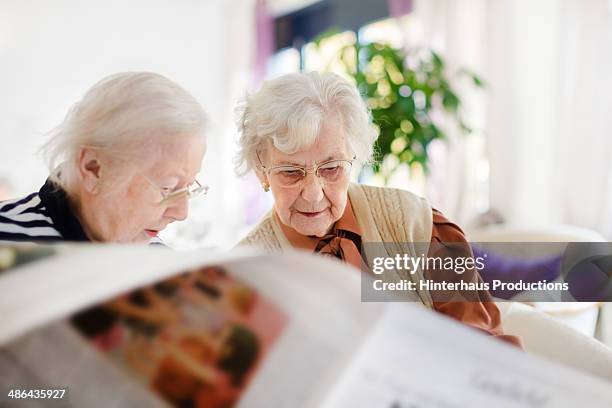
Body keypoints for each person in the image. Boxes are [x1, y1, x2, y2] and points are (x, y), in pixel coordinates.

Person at [235, 71, 522, 347]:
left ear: (355, 158)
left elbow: (482, 351)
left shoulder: (413, 222)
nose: (313, 194)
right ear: (261, 171)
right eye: (290, 171)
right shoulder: (243, 274)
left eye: (332, 168)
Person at [0, 72, 208, 243]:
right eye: (168, 188)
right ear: (93, 168)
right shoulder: (7, 236)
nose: (181, 213)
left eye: (189, 188)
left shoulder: (156, 260)